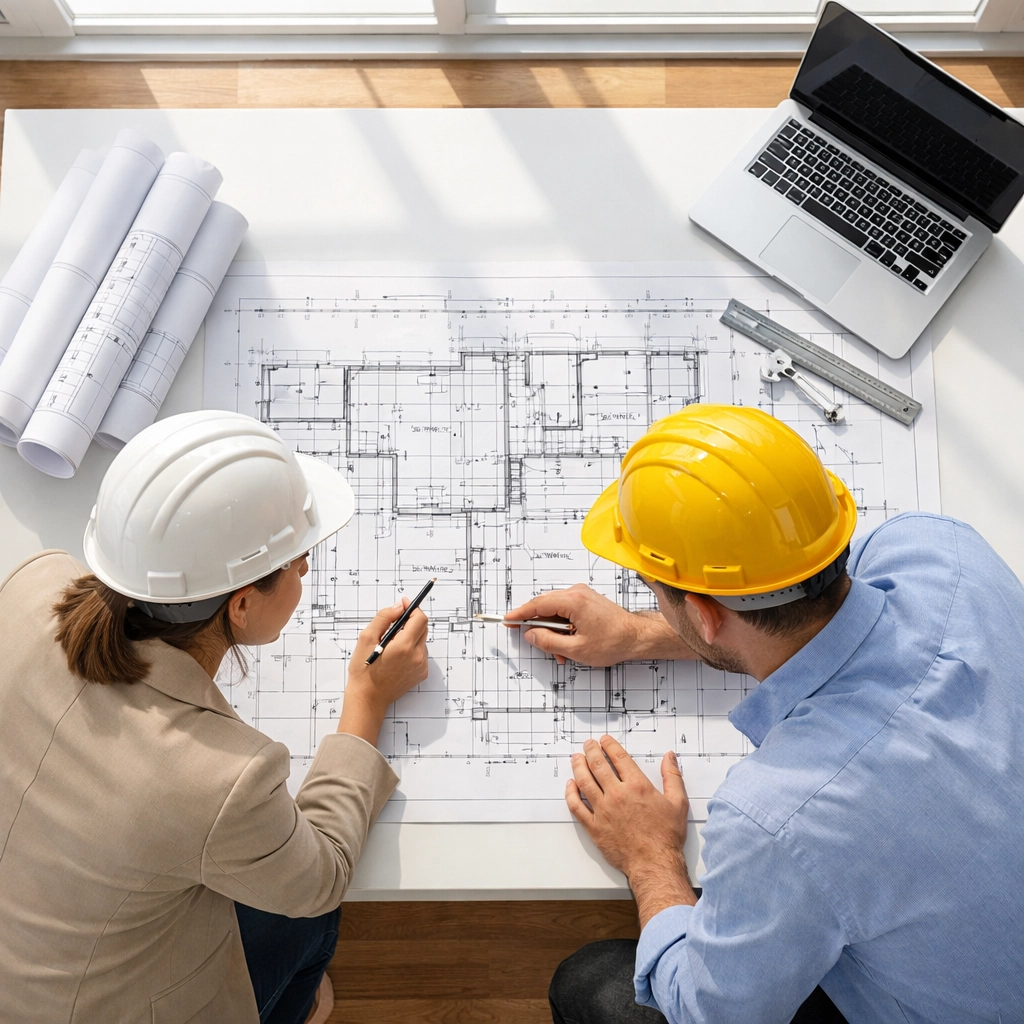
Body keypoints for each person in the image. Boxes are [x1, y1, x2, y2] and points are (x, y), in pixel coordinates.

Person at [506, 404, 1024, 1024]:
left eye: (652, 591)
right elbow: (807, 604)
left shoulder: (781, 818)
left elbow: (712, 1014)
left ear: (704, 614)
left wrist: (650, 858)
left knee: (589, 985)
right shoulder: (939, 549)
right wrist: (642, 635)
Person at [0, 410, 430, 1024]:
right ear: (243, 605)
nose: (305, 566)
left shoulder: (30, 583)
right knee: (309, 925)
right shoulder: (222, 781)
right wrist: (367, 697)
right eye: (294, 560)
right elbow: (321, 874)